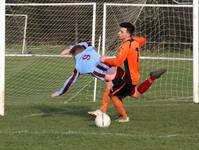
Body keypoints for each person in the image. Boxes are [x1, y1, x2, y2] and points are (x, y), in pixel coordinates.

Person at [89, 22, 166, 122]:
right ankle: (152, 78)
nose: (118, 33)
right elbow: (143, 40)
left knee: (114, 95)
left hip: (128, 78)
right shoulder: (135, 41)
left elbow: (118, 61)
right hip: (135, 75)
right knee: (136, 94)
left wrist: (105, 60)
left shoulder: (125, 46)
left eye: (121, 32)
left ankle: (123, 117)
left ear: (128, 34)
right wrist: (133, 38)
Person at [51, 43, 129, 122]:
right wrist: (69, 50)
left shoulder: (80, 66)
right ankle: (117, 114)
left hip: (115, 75)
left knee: (123, 94)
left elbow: (71, 81)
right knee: (116, 93)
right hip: (116, 71)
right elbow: (84, 44)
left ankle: (115, 114)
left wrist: (59, 92)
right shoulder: (89, 50)